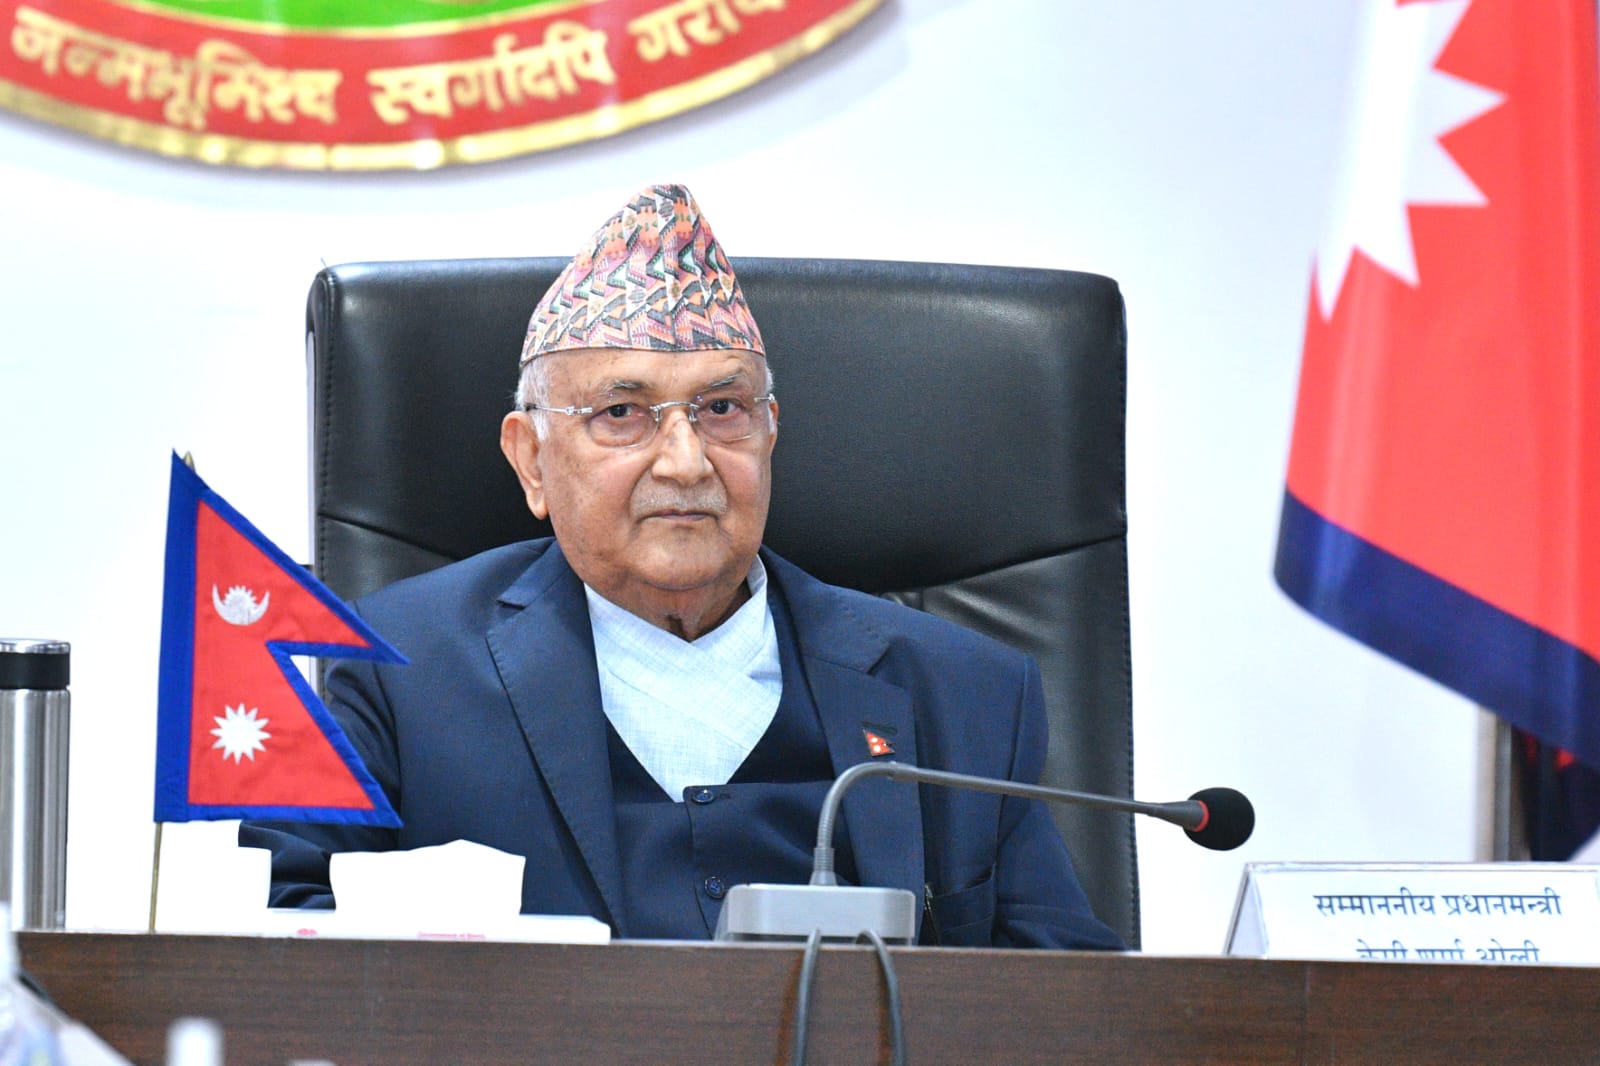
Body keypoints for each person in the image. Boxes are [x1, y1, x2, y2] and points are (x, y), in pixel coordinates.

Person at [243, 184, 1124, 950]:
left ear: (771, 433)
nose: (686, 462)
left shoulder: (961, 693)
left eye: (723, 408)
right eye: (622, 413)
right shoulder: (394, 667)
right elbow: (282, 944)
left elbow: (1067, 1003)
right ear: (531, 461)